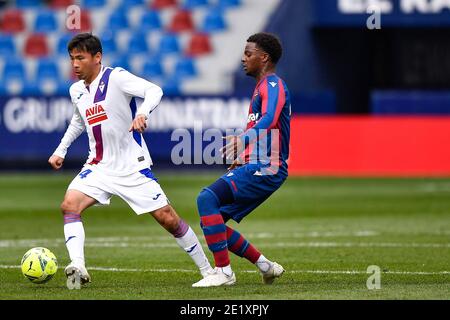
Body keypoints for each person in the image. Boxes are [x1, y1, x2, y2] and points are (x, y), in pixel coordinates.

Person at [48, 33, 213, 288]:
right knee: (70, 205)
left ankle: (208, 270)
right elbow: (78, 121)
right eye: (71, 59)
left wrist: (143, 113)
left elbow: (153, 90)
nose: (75, 64)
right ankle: (78, 266)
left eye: (80, 58)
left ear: (97, 57)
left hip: (131, 166)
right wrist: (61, 149)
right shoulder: (76, 90)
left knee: (167, 218)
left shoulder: (116, 78)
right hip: (99, 166)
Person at [192, 33, 291, 287]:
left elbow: (269, 118)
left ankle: (224, 272)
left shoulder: (273, 85)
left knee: (206, 198)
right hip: (256, 163)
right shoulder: (260, 87)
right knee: (211, 218)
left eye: (249, 54)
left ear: (264, 57)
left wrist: (244, 140)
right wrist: (244, 157)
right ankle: (265, 266)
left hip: (268, 166)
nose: (243, 58)